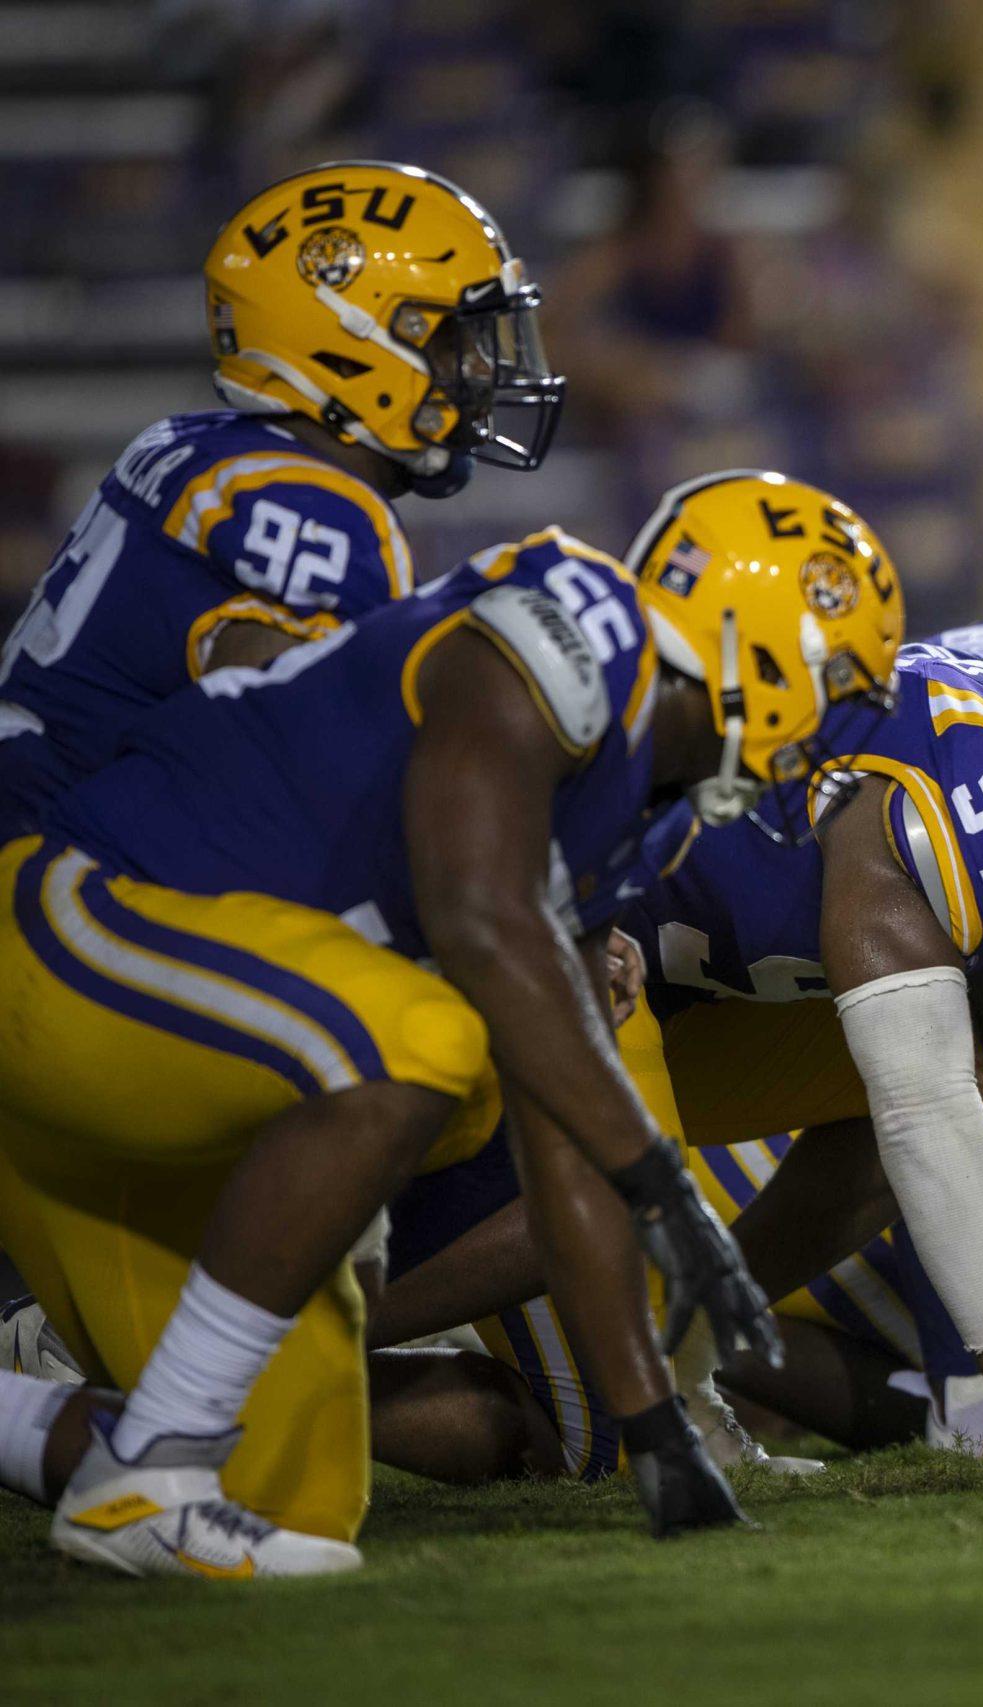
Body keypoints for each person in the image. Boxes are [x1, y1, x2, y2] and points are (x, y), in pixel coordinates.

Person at [0, 501, 841, 1575]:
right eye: (840, 688)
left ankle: (123, 1455)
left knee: (287, 1498)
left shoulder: (634, 798)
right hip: (84, 926)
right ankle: (154, 1460)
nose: (836, 729)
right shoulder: (567, 632)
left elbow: (560, 1125)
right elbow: (477, 919)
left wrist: (656, 1424)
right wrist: (654, 1179)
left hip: (206, 1037)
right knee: (424, 1040)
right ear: (766, 652)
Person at [0, 160, 562, 840]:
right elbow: (290, 777)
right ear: (351, 339)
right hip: (51, 862)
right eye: (450, 339)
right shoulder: (316, 507)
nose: (477, 370)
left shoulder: (197, 443)